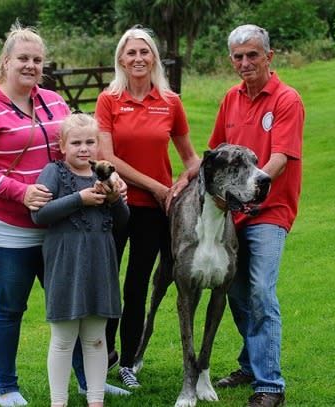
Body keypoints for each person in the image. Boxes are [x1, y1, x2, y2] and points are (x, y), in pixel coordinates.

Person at [0, 23, 126, 407]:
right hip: (8, 229)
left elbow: (76, 154)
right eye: (23, 58)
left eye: (37, 59)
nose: (31, 65)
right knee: (9, 305)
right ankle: (6, 387)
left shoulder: (53, 101)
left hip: (60, 227)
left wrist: (107, 178)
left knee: (76, 309)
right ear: (6, 61)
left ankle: (89, 383)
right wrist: (22, 192)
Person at [95, 25, 201, 388]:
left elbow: (191, 159)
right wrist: (158, 186)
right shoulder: (108, 100)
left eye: (144, 52)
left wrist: (181, 184)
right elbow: (107, 158)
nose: (138, 58)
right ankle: (102, 356)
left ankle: (128, 362)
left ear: (154, 57)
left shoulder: (170, 102)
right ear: (121, 60)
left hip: (155, 213)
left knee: (137, 286)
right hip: (116, 204)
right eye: (131, 53)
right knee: (107, 283)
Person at [208, 24, 304, 407]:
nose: (245, 62)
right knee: (237, 294)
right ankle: (250, 363)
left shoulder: (286, 99)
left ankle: (270, 386)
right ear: (231, 60)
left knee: (262, 292)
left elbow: (279, 158)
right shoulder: (230, 98)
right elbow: (214, 152)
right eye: (238, 56)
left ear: (269, 56)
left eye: (252, 55)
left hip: (270, 211)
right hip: (234, 213)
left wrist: (248, 190)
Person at [31, 113, 130, 407]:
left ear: (98, 145)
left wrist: (114, 199)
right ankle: (58, 402)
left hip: (100, 263)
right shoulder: (54, 172)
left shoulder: (107, 176)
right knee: (63, 339)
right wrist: (79, 199)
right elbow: (39, 214)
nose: (83, 148)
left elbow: (124, 222)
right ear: (63, 145)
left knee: (96, 338)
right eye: (76, 142)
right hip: (66, 263)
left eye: (89, 142)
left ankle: (96, 400)